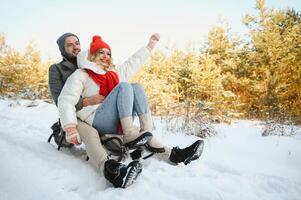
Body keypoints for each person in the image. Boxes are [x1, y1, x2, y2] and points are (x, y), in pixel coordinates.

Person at [57, 34, 204, 187]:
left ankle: (172, 153)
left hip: (113, 118)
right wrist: (70, 126)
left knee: (136, 87)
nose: (105, 56)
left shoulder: (114, 74)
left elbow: (132, 63)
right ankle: (126, 141)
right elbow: (66, 99)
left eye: (108, 53)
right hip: (94, 118)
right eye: (101, 52)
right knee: (124, 86)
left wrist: (149, 47)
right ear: (92, 55)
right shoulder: (81, 75)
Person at [49, 33, 140, 188]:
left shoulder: (90, 62)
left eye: (77, 43)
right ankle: (111, 171)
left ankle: (166, 151)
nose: (75, 46)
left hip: (96, 111)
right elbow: (60, 100)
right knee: (91, 133)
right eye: (69, 44)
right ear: (62, 49)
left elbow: (122, 71)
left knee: (125, 128)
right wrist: (85, 101)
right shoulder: (57, 69)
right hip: (74, 113)